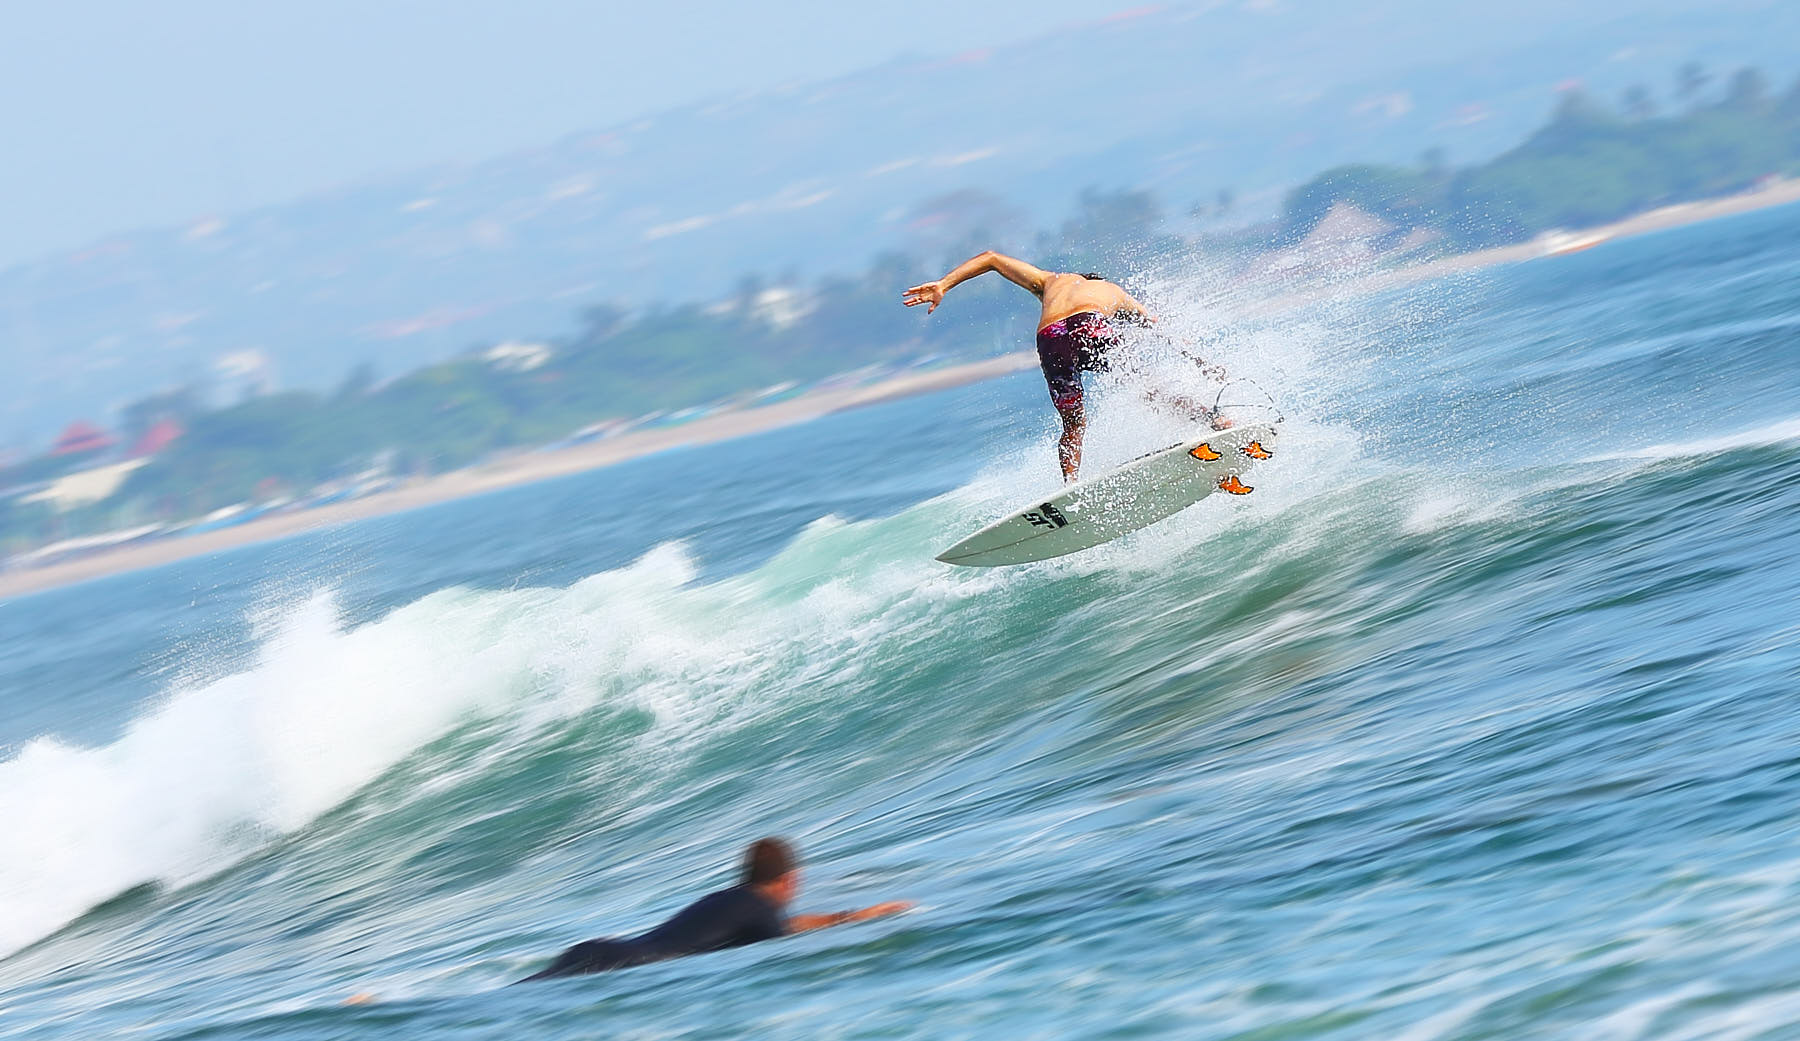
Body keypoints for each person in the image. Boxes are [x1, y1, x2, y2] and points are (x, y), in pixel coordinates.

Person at [903, 251, 1227, 482]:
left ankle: (1070, 485)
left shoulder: (1050, 281)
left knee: (1073, 425)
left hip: (1050, 337)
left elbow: (991, 258)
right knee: (1150, 390)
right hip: (1091, 325)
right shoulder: (1113, 292)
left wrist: (944, 283)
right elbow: (1160, 329)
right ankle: (1216, 420)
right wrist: (1203, 363)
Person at [517, 838, 911, 981]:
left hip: (598, 951)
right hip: (619, 967)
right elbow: (784, 933)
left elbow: (786, 924)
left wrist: (847, 917)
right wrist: (862, 919)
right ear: (790, 881)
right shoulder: (759, 911)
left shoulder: (728, 900)